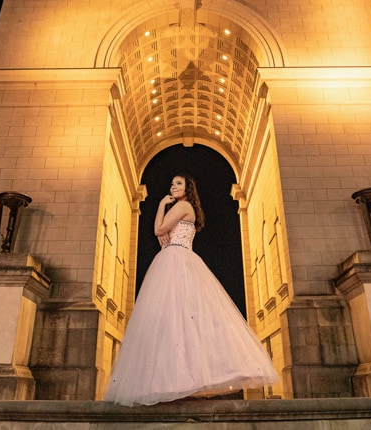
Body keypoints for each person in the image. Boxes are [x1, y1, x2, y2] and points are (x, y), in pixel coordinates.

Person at [103, 173, 279, 406]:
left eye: (178, 183)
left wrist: (160, 205)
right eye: (172, 183)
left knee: (175, 321)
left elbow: (158, 231)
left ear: (188, 189)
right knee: (178, 323)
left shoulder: (183, 206)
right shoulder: (183, 209)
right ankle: (180, 382)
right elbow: (164, 239)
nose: (172, 186)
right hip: (174, 257)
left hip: (177, 261)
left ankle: (180, 383)